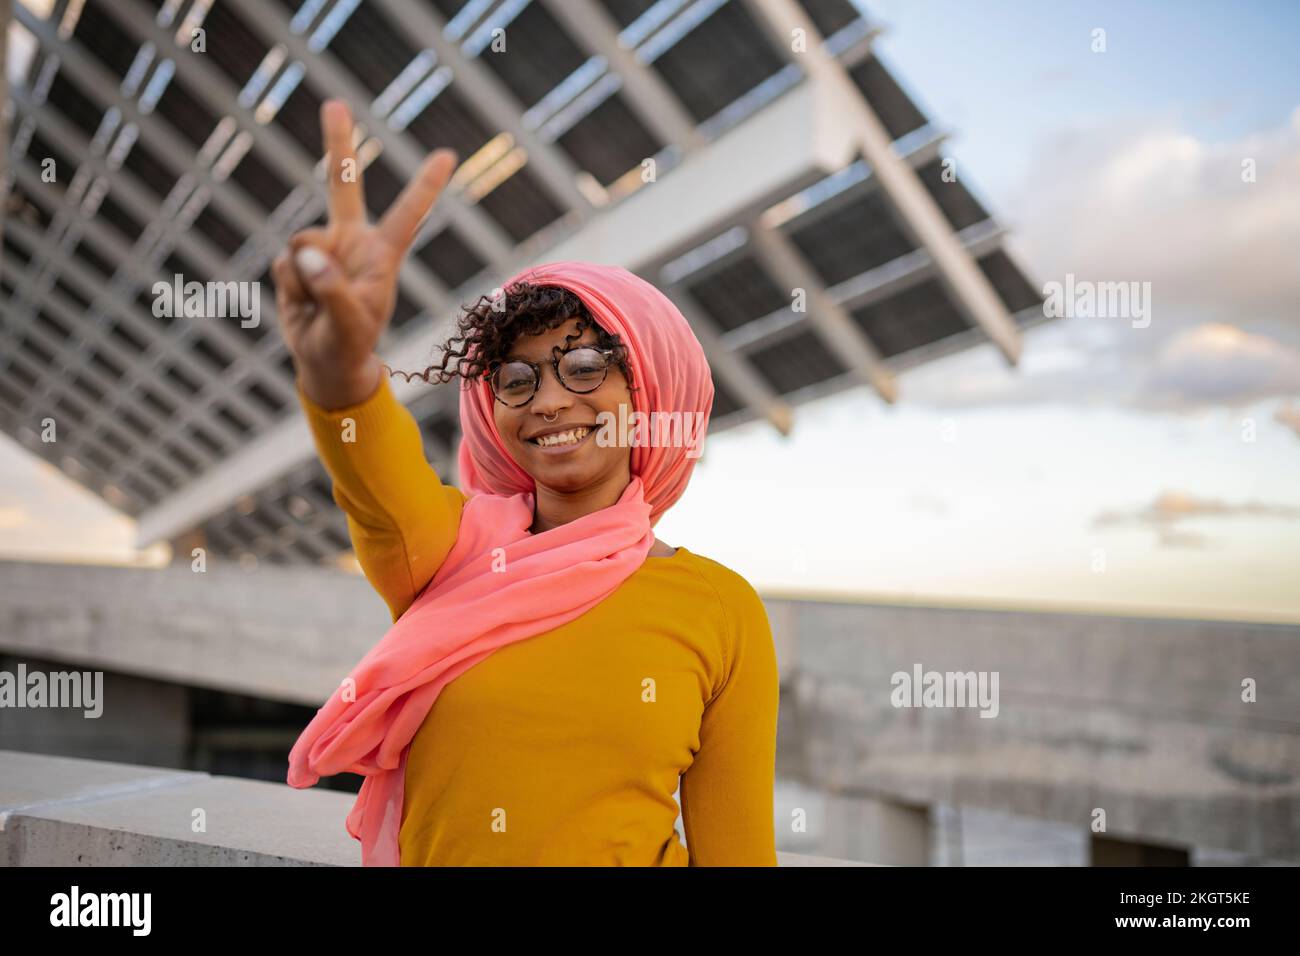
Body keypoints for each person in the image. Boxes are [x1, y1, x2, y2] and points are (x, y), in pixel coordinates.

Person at [274, 100, 779, 866]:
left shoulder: (723, 610)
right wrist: (339, 370)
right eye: (515, 378)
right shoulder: (443, 553)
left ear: (649, 393)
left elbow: (738, 856)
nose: (547, 400)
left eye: (583, 366)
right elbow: (371, 475)